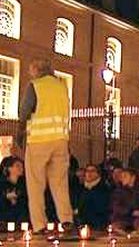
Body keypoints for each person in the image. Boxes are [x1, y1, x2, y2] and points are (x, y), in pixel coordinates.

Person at [17, 59, 74, 235]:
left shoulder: (35, 85)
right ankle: (66, 219)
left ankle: (39, 224)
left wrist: (21, 131)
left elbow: (25, 111)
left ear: (36, 70)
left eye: (31, 70)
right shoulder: (61, 86)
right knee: (60, 183)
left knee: (35, 183)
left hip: (39, 140)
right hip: (61, 140)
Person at [110, 169, 139, 234]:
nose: (122, 178)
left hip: (138, 218)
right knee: (116, 228)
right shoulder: (118, 191)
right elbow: (116, 207)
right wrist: (131, 212)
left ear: (133, 177)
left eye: (125, 176)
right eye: (122, 177)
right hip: (122, 218)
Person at [77, 164, 111, 230]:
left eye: (92, 171)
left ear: (98, 174)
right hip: (82, 222)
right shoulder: (81, 188)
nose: (89, 173)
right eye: (87, 171)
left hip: (98, 223)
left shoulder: (104, 188)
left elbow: (102, 207)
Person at [0, 157, 28, 227]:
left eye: (22, 166)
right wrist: (6, 197)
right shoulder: (2, 184)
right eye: (17, 166)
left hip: (21, 220)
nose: (21, 168)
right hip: (4, 220)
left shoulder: (24, 185)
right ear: (9, 168)